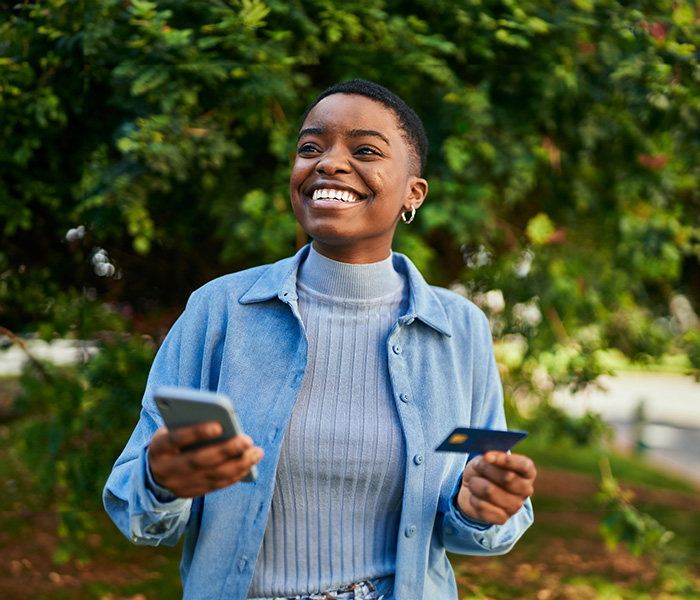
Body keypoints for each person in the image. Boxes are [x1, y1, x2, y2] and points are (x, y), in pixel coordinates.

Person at [104, 79, 536, 600]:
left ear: (413, 193)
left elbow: (485, 515)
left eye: (365, 151)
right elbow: (135, 505)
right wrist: (160, 479)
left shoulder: (460, 329)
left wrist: (482, 506)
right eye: (311, 147)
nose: (328, 163)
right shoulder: (219, 311)